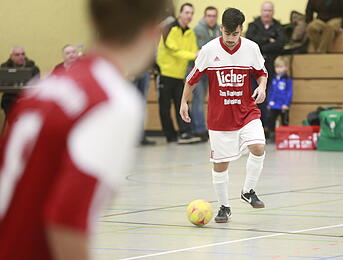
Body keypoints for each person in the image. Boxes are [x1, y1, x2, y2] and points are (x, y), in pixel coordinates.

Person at [0, 0, 169, 259]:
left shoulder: (46, 85)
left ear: (93, 22)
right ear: (154, 33)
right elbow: (65, 220)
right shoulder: (111, 100)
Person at [180, 8, 268, 223]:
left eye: (235, 34)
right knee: (221, 165)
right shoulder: (209, 50)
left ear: (241, 30)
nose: (230, 39)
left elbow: (262, 73)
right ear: (221, 29)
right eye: (227, 34)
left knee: (258, 146)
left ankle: (248, 191)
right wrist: (184, 102)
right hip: (220, 118)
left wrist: (262, 87)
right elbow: (192, 79)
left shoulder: (251, 48)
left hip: (247, 110)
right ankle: (224, 207)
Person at [156, 3, 200, 144]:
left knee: (181, 105)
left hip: (180, 75)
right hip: (165, 73)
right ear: (180, 13)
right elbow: (173, 50)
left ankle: (184, 133)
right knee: (165, 106)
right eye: (186, 12)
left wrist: (196, 54)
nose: (189, 16)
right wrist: (194, 55)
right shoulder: (170, 28)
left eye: (191, 13)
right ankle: (170, 136)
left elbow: (194, 50)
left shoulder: (190, 32)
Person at [246, 1, 285, 128]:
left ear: (272, 12)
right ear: (261, 11)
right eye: (265, 10)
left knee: (269, 97)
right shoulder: (253, 25)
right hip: (254, 69)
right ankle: (254, 125)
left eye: (269, 11)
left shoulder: (278, 26)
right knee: (255, 96)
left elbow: (280, 44)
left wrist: (262, 45)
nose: (267, 13)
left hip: (272, 68)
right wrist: (268, 39)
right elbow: (250, 41)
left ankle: (268, 127)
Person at [191, 6, 221, 142]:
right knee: (198, 100)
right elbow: (203, 50)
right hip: (199, 70)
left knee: (214, 100)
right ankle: (199, 130)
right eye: (209, 15)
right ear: (204, 16)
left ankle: (214, 128)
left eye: (214, 16)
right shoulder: (197, 30)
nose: (211, 18)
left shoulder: (220, 30)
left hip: (213, 71)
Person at [0, 46, 40, 115]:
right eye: (17, 55)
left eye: (23, 54)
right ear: (11, 57)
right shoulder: (4, 67)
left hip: (28, 98)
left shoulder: (33, 68)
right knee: (11, 112)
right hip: (10, 98)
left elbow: (36, 85)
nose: (21, 57)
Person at [266, 56, 293, 141]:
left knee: (284, 120)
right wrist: (269, 102)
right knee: (271, 118)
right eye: (277, 67)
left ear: (286, 67)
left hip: (283, 105)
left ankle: (285, 136)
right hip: (274, 104)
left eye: (281, 67)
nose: (279, 69)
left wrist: (286, 104)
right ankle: (272, 134)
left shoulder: (287, 79)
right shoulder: (274, 79)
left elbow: (289, 93)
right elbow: (271, 91)